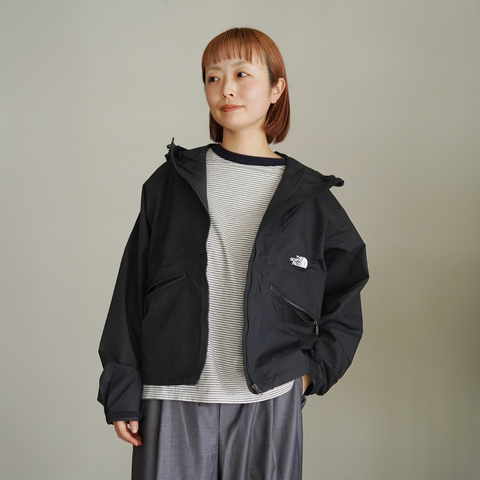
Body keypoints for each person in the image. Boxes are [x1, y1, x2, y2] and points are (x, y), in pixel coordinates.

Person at [98, 27, 369, 480]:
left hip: (268, 401)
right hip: (171, 398)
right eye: (213, 77)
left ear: (276, 88)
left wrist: (309, 374)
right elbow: (130, 292)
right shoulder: (171, 183)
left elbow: (346, 299)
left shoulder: (310, 199)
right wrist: (123, 389)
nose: (226, 88)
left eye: (242, 74)